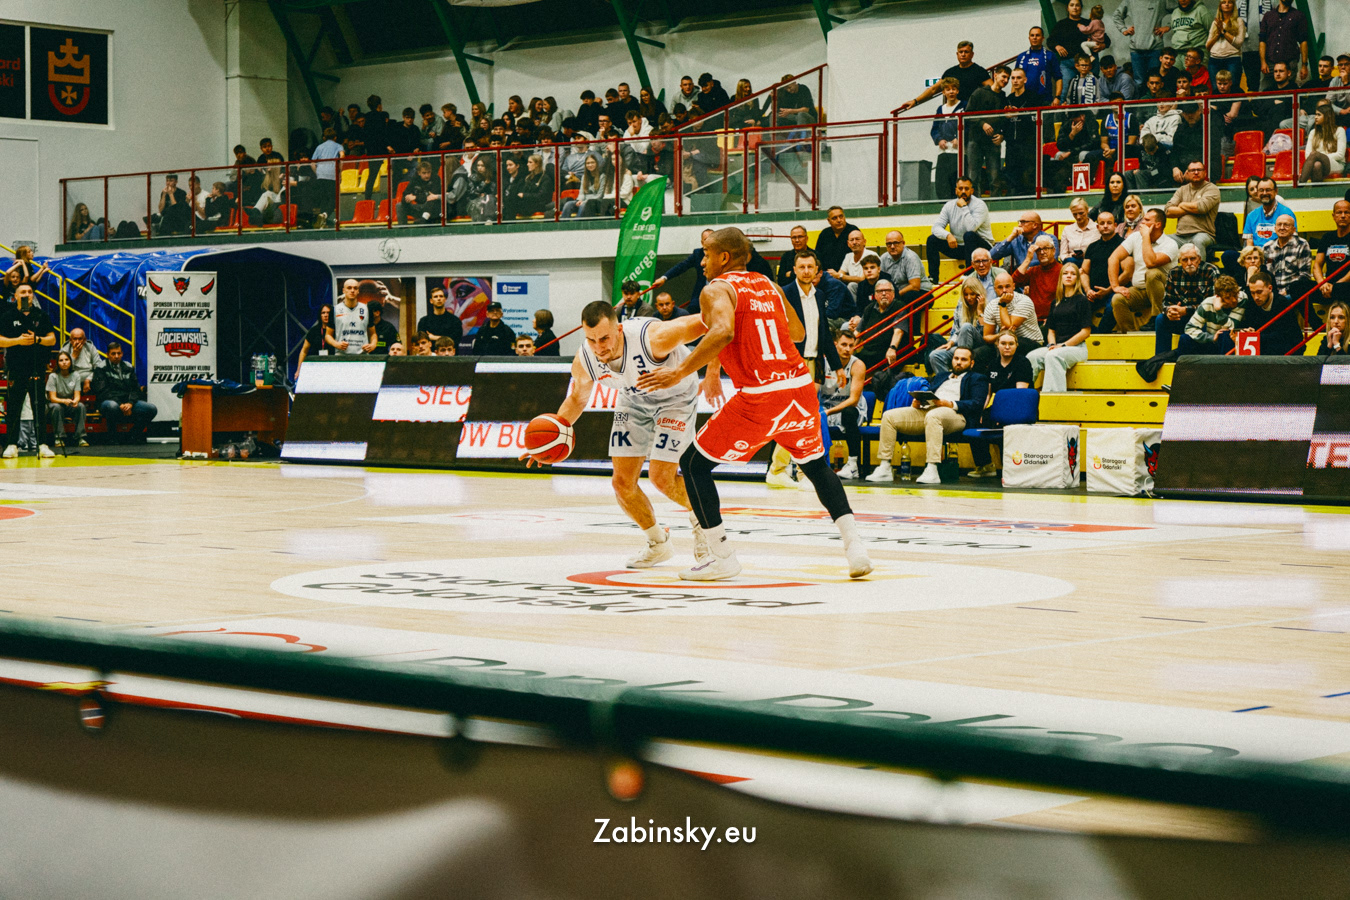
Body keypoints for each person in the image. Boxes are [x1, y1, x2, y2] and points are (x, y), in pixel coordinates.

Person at [634, 226, 873, 581]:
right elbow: (797, 333)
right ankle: (856, 548)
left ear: (724, 257)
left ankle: (722, 557)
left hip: (761, 394)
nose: (702, 262)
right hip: (799, 388)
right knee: (815, 466)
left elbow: (723, 332)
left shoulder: (716, 288)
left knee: (693, 464)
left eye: (706, 255)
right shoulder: (770, 285)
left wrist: (680, 371)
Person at [525, 300, 712, 567]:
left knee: (662, 478)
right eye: (591, 340)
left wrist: (713, 371)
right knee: (622, 483)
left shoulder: (654, 338)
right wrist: (548, 441)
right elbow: (577, 398)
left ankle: (704, 527)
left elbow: (714, 322)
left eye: (604, 338)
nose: (599, 347)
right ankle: (658, 543)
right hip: (633, 400)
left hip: (676, 398)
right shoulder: (585, 359)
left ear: (619, 329)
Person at [867, 346, 988, 486]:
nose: (959, 362)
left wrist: (949, 403)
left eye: (963, 359)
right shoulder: (941, 376)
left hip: (957, 415)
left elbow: (977, 404)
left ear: (971, 363)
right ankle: (885, 467)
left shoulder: (977, 378)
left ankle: (932, 468)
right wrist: (919, 402)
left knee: (933, 416)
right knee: (889, 416)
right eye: (956, 358)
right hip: (930, 410)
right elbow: (930, 394)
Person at [0, 284, 57, 458]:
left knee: (39, 406)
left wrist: (37, 339)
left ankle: (42, 444)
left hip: (36, 367)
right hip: (16, 368)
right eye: (23, 292)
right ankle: (12, 444)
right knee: (14, 407)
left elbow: (52, 339)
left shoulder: (41, 315)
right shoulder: (8, 316)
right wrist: (17, 341)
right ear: (16, 296)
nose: (27, 295)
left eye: (30, 292)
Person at [1026, 263, 1093, 393]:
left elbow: (1086, 332)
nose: (1069, 276)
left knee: (1053, 356)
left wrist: (1063, 346)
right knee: (1032, 357)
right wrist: (1052, 344)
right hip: (1057, 346)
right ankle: (1025, 395)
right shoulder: (1056, 301)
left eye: (1073, 274)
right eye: (1065, 273)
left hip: (1077, 348)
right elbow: (1051, 330)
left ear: (1077, 278)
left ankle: (1053, 398)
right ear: (1061, 277)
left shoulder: (1082, 300)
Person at [1111, 208, 1179, 331]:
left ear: (1157, 225)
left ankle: (1157, 317)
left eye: (1146, 220)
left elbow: (1150, 262)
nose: (1142, 223)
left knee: (1152, 273)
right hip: (1140, 291)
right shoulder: (1135, 237)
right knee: (1117, 299)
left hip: (1164, 292)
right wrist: (1115, 286)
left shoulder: (1170, 244)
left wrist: (1146, 236)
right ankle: (1130, 334)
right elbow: (1113, 258)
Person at [1154, 243, 1219, 356]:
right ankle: (1160, 358)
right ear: (1180, 261)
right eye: (1185, 260)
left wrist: (1186, 310)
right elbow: (1166, 301)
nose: (1189, 263)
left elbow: (1211, 305)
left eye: (1192, 259)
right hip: (1181, 318)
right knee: (1160, 319)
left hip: (1203, 320)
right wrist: (1169, 311)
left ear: (1199, 259)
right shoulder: (1174, 273)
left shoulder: (1210, 271)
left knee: (1207, 322)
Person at [820, 329, 867, 480]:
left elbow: (853, 400)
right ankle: (803, 463)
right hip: (826, 407)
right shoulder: (822, 363)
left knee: (849, 412)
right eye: (844, 345)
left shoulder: (857, 365)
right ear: (835, 345)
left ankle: (853, 465)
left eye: (851, 346)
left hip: (849, 408)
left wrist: (827, 413)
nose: (847, 349)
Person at [925, 178, 993, 280]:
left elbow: (971, 228)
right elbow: (936, 227)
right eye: (960, 189)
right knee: (932, 240)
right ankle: (933, 278)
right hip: (961, 248)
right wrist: (947, 235)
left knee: (969, 235)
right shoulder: (949, 206)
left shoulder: (979, 205)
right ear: (956, 190)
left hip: (982, 248)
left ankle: (969, 276)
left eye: (966, 189)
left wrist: (964, 207)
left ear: (972, 191)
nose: (963, 191)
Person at [975, 271, 1044, 370]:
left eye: (1007, 286)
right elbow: (987, 336)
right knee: (978, 354)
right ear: (995, 289)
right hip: (1004, 342)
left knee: (1010, 346)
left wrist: (1002, 305)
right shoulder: (991, 305)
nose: (1004, 290)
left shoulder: (1024, 301)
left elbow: (1008, 327)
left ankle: (1002, 376)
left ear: (1013, 286)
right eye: (1000, 287)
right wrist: (999, 335)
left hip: (1031, 342)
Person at [896, 41, 991, 110]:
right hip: (954, 112)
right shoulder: (950, 72)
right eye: (960, 52)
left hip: (973, 113)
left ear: (972, 54)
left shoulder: (979, 71)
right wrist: (915, 101)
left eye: (966, 52)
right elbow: (933, 89)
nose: (963, 54)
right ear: (957, 54)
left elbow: (993, 89)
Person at [92, 342, 156, 445]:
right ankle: (112, 437)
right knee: (112, 406)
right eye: (113, 354)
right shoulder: (101, 368)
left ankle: (133, 435)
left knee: (151, 409)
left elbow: (135, 389)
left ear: (122, 354)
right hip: (108, 402)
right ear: (107, 354)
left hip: (127, 402)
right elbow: (103, 391)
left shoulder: (128, 366)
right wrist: (120, 404)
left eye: (119, 353)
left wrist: (130, 403)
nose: (116, 356)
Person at [963, 66, 1011, 196]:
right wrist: (982, 124)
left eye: (1008, 78)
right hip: (975, 140)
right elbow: (967, 114)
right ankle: (973, 202)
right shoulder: (979, 92)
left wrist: (1002, 135)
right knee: (973, 175)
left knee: (995, 176)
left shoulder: (1004, 98)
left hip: (993, 142)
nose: (1006, 80)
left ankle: (995, 203)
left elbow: (1005, 121)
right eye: (1004, 76)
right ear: (995, 75)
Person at [927, 275, 987, 379]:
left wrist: (980, 311)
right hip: (962, 345)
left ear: (978, 294)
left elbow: (986, 334)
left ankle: (962, 378)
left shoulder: (988, 306)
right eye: (966, 294)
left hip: (980, 345)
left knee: (966, 327)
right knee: (935, 355)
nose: (969, 298)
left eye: (972, 294)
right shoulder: (960, 306)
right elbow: (955, 330)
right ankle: (947, 383)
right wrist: (950, 342)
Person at [1165, 161, 1222, 260]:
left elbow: (1201, 208)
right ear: (1187, 173)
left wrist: (1182, 204)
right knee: (1162, 240)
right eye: (1192, 170)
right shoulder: (1182, 190)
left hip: (1203, 234)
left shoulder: (1212, 189)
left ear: (1205, 173)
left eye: (1199, 170)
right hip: (1180, 236)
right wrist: (1192, 208)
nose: (1196, 172)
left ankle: (1200, 269)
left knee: (1198, 241)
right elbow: (1168, 211)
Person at [1240, 269, 1300, 355]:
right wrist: (1245, 333)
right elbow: (1251, 326)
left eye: (1259, 292)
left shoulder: (1282, 303)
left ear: (1270, 288)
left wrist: (1257, 336)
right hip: (1266, 346)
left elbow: (1284, 335)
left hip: (1289, 347)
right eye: (1252, 293)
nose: (1256, 297)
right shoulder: (1252, 304)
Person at [1113, 0, 1172, 87]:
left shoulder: (1161, 1)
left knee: (1155, 81)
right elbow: (1117, 15)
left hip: (1155, 48)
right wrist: (1123, 29)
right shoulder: (1130, 1)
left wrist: (1168, 26)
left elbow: (1178, 9)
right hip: (1136, 49)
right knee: (1139, 82)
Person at [1082, 210, 1124, 332]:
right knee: (1077, 306)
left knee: (1112, 308)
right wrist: (1088, 290)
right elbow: (1084, 272)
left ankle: (1099, 335)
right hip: (1093, 293)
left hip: (1114, 291)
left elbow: (1127, 273)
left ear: (1115, 225)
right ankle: (1090, 334)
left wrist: (1108, 290)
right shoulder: (1092, 247)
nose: (1105, 226)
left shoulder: (1123, 245)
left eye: (1109, 223)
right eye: (1102, 223)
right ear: (1097, 227)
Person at [1261, 214, 1314, 309]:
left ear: (1293, 229)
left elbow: (1305, 275)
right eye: (1279, 225)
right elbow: (1264, 275)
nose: (1282, 228)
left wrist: (1287, 291)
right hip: (1272, 293)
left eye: (1286, 225)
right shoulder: (1267, 247)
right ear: (1275, 228)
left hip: (1292, 293)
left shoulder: (1301, 244)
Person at [1258, 0, 1309, 90]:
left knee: (1288, 93)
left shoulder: (1298, 16)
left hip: (1290, 63)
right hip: (1270, 63)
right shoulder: (1268, 16)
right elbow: (1262, 40)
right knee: (1265, 93)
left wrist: (1304, 65)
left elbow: (1303, 41)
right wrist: (1263, 62)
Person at [1014, 236, 1063, 323]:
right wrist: (1028, 259)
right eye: (1038, 250)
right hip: (1033, 321)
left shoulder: (1063, 270)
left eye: (1045, 248)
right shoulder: (1034, 271)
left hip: (1055, 321)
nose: (1042, 252)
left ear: (1054, 251)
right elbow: (1014, 282)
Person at [930, 78, 966, 199]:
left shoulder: (964, 106)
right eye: (948, 89)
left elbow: (968, 126)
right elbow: (934, 129)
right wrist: (939, 139)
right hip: (944, 151)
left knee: (956, 181)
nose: (951, 92)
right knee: (942, 182)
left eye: (953, 89)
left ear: (958, 91)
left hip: (958, 152)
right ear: (943, 92)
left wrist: (959, 138)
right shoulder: (940, 109)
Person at [990, 211, 1059, 271]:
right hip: (1022, 279)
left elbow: (1051, 262)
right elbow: (992, 255)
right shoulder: (1016, 240)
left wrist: (1026, 264)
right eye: (1019, 222)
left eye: (1023, 222)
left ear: (1035, 225)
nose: (1019, 225)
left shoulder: (1049, 239)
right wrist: (1010, 237)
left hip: (1041, 277)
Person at [1314, 200, 1350, 310]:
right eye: (1339, 212)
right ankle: (1315, 321)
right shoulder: (1327, 237)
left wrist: (1335, 286)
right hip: (1326, 289)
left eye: (1347, 212)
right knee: (1298, 286)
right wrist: (1322, 284)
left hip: (1345, 288)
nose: (1343, 216)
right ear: (1333, 216)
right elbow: (1317, 265)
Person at [46, 350, 85, 449]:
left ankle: (80, 437)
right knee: (56, 407)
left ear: (70, 361)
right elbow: (52, 398)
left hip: (68, 404)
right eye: (61, 360)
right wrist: (64, 401)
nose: (64, 362)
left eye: (66, 360)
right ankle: (59, 438)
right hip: (55, 404)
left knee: (81, 406)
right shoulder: (53, 376)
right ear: (57, 363)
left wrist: (75, 401)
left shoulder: (76, 375)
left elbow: (77, 395)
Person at [328, 280, 375, 355]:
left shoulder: (367, 309)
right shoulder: (335, 309)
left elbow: (373, 334)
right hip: (341, 355)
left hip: (362, 355)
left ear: (358, 291)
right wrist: (336, 344)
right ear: (343, 290)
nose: (352, 290)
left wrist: (373, 345)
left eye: (355, 288)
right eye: (349, 288)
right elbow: (328, 335)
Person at [1017, 25, 1060, 107]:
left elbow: (1058, 78)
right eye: (1032, 35)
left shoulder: (1050, 55)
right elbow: (1015, 79)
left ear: (1043, 38)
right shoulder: (1021, 57)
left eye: (1037, 35)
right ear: (1029, 38)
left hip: (1044, 99)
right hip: (1024, 100)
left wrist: (1057, 97)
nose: (1034, 38)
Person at [1304, 101, 1347, 183]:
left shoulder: (1339, 130)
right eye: (1315, 114)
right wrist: (1319, 158)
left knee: (1315, 155)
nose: (1315, 117)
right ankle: (1315, 189)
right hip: (1316, 162)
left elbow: (1340, 155)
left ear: (1327, 116)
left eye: (1319, 115)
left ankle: (1300, 183)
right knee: (1317, 165)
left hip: (1336, 164)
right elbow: (1307, 155)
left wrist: (1321, 156)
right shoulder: (1313, 132)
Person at [1207, 0, 1247, 87]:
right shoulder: (1215, 22)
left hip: (1232, 59)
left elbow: (1239, 43)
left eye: (1230, 2)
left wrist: (1223, 31)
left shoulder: (1239, 21)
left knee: (1233, 88)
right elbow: (1207, 46)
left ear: (1233, 5)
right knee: (1216, 89)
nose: (1227, 4)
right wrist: (1217, 34)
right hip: (1214, 60)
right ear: (1220, 6)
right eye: (1224, 2)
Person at [814, 206, 861, 274]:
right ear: (829, 221)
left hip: (850, 274)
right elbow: (818, 257)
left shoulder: (853, 231)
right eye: (834, 218)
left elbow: (860, 254)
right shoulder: (824, 234)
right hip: (827, 275)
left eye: (841, 216)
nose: (839, 220)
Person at [396, 159, 443, 225]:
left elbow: (432, 197)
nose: (427, 175)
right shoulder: (414, 180)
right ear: (419, 173)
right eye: (424, 173)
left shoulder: (436, 179)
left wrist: (415, 197)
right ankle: (403, 228)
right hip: (420, 207)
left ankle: (424, 219)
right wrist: (407, 198)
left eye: (428, 172)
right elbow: (404, 196)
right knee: (399, 205)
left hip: (432, 209)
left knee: (432, 200)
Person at [1059, 198, 1099, 264]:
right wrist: (1069, 256)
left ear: (1087, 210)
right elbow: (1063, 254)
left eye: (1081, 213)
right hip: (1072, 263)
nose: (1078, 217)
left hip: (1092, 263)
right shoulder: (1067, 229)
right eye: (1075, 214)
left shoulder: (1097, 228)